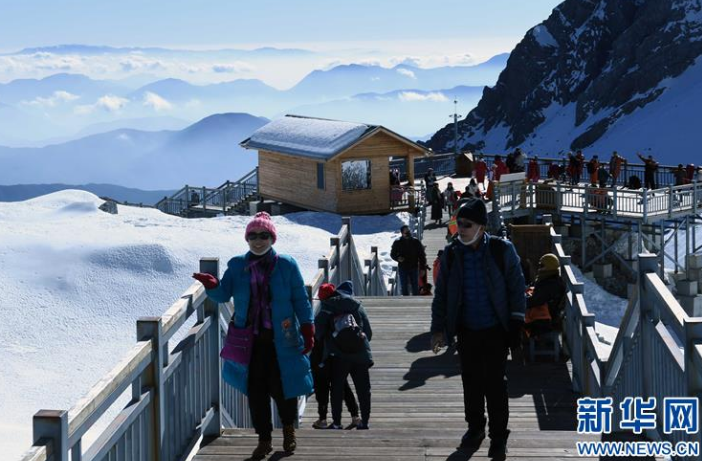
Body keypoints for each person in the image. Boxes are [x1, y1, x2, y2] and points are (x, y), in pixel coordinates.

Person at [191, 212, 314, 459]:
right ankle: (264, 439)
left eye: (264, 235)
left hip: (283, 337)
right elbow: (225, 294)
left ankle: (288, 429)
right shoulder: (237, 265)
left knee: (285, 388)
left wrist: (308, 326)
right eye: (253, 236)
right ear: (246, 239)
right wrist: (212, 285)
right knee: (256, 391)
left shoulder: (287, 264)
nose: (258, 241)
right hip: (250, 342)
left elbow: (300, 298)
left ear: (272, 238)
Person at [430, 199, 526, 458]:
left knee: (495, 385)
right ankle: (475, 429)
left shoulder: (501, 250)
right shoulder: (451, 254)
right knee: (470, 383)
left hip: (496, 329)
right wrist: (438, 329)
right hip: (466, 329)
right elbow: (442, 295)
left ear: (481, 227)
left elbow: (517, 288)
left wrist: (516, 325)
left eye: (466, 224)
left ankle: (498, 437)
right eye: (458, 223)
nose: (460, 228)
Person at [315, 281, 373, 430]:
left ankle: (336, 422)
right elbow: (369, 333)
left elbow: (318, 333)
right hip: (361, 354)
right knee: (363, 389)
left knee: (337, 388)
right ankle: (364, 422)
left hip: (339, 355)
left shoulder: (327, 306)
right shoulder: (357, 306)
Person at [524, 254, 566, 338]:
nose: (539, 268)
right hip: (545, 317)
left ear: (549, 267)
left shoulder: (550, 284)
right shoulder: (550, 279)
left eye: (541, 265)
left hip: (542, 322)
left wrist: (518, 300)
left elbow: (534, 301)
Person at [391, 225, 427, 296]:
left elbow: (422, 256)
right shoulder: (397, 242)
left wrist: (422, 268)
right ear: (402, 233)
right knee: (404, 286)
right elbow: (392, 254)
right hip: (403, 267)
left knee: (415, 286)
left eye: (408, 231)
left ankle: (416, 302)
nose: (408, 233)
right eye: (406, 232)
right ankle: (405, 302)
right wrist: (398, 258)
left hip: (414, 267)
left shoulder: (416, 242)